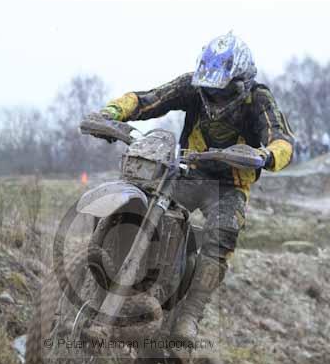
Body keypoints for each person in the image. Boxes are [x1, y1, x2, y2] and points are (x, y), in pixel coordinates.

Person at [97, 31, 295, 345]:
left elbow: (282, 139)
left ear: (240, 83)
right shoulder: (192, 86)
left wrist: (267, 155)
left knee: (221, 236)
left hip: (231, 184)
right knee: (144, 202)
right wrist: (112, 112)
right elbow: (149, 99)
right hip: (189, 171)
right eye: (208, 88)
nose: (213, 96)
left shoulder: (258, 99)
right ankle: (119, 272)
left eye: (222, 90)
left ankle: (189, 316)